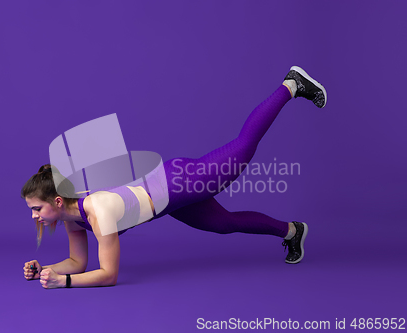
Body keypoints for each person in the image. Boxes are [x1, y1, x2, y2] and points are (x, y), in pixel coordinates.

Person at [21, 66, 327, 289]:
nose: (35, 216)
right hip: (170, 202)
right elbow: (78, 264)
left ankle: (291, 84)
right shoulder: (72, 219)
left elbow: (109, 275)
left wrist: (65, 283)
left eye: (36, 209)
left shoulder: (97, 210)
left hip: (178, 181)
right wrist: (46, 270)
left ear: (57, 201)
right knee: (225, 224)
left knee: (243, 147)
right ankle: (293, 232)